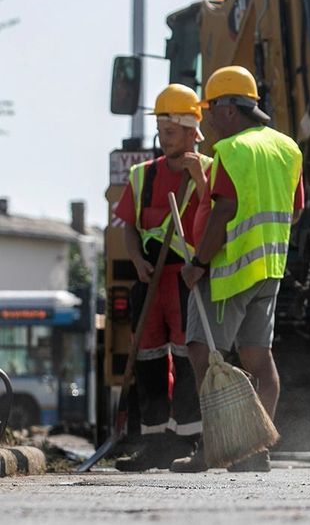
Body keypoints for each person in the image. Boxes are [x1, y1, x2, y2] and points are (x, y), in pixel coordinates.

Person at [171, 65, 304, 473]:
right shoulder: (287, 148)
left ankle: (218, 448)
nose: (207, 118)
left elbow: (224, 209)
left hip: (226, 273)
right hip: (269, 270)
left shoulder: (231, 150)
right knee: (258, 359)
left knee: (201, 352)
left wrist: (198, 263)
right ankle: (254, 450)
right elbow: (295, 211)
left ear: (230, 108)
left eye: (211, 108)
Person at [112, 84, 211, 471]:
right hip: (150, 281)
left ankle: (189, 440)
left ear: (191, 131)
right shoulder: (142, 176)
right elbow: (130, 227)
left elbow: (218, 214)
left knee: (189, 360)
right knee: (150, 359)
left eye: (170, 132)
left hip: (187, 281)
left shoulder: (209, 170)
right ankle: (153, 442)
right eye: (161, 132)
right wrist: (135, 258)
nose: (163, 139)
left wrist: (199, 178)